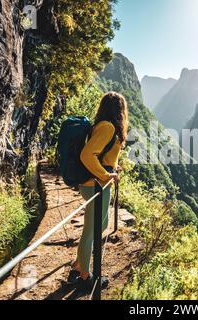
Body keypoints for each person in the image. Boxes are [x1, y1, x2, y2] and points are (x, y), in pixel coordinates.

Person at [67, 92, 128, 291]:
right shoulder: (108, 127)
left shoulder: (103, 126)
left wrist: (111, 167)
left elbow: (101, 154)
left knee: (100, 225)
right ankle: (85, 276)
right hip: (96, 185)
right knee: (91, 230)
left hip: (98, 184)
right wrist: (105, 175)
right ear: (120, 110)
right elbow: (87, 155)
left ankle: (78, 264)